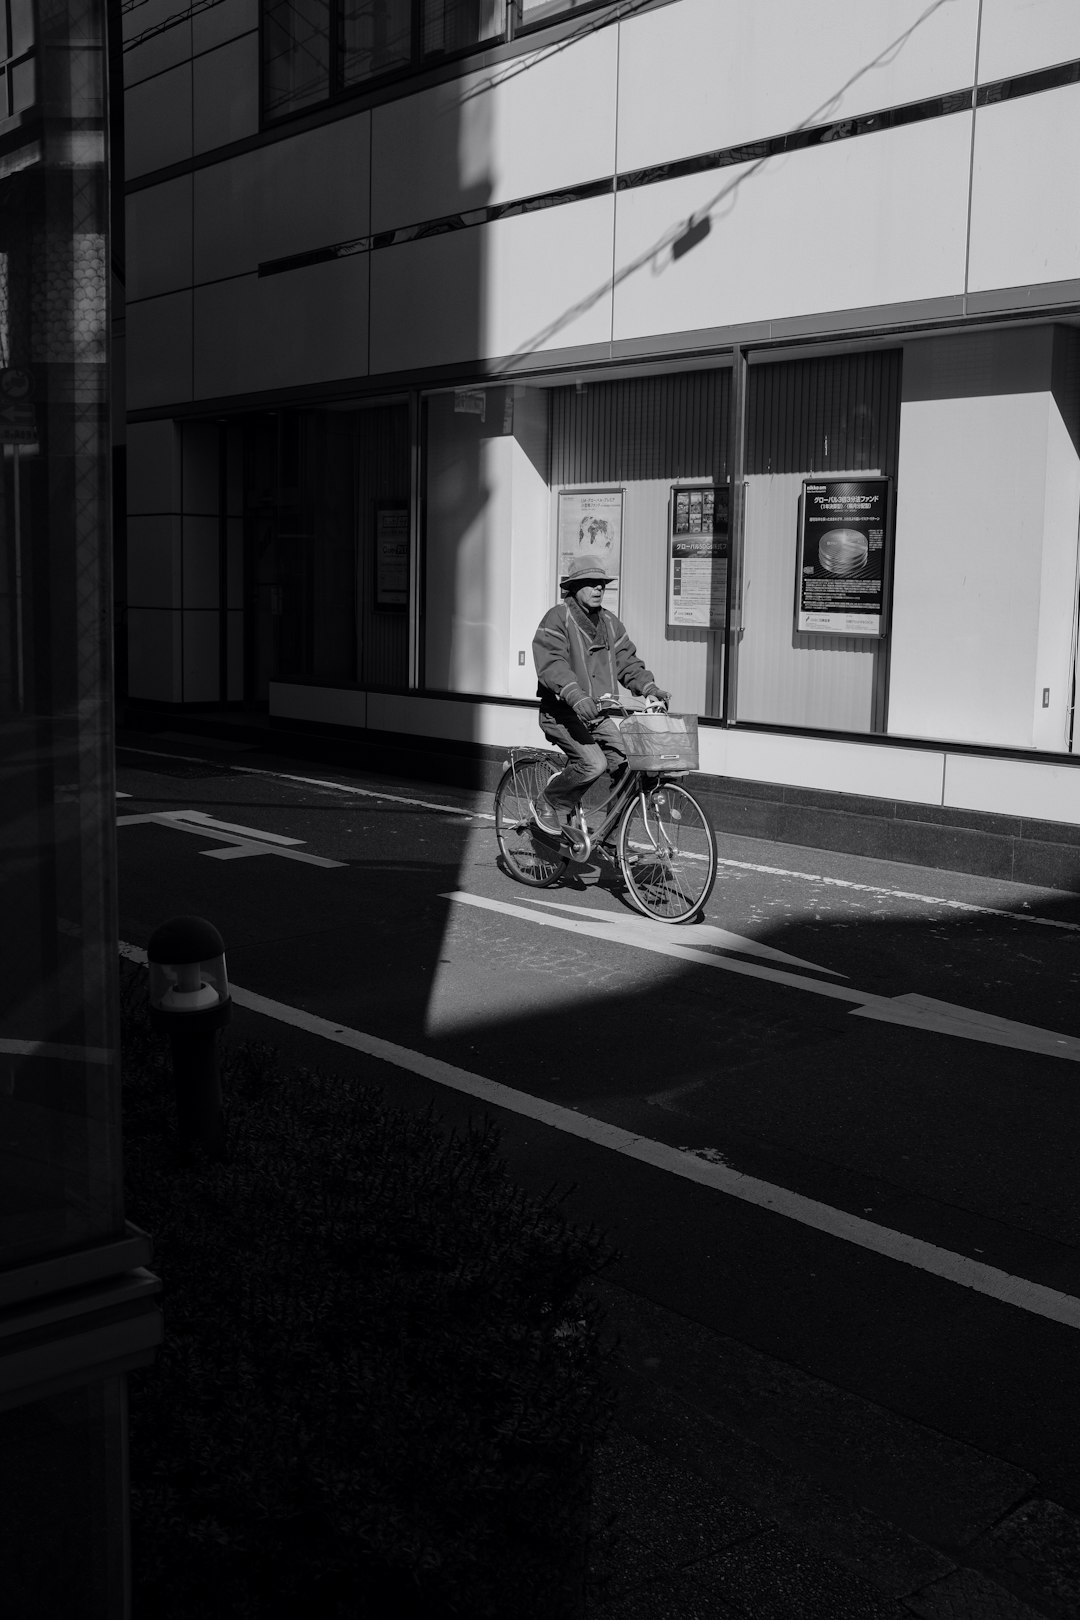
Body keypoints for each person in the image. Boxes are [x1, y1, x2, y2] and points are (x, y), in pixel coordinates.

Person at [531, 553, 671, 853]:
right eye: (590, 583)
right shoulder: (557, 618)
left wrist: (650, 688)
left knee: (630, 766)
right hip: (561, 712)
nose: (598, 589)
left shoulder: (609, 622)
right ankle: (548, 802)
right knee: (594, 763)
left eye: (602, 584)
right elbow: (551, 663)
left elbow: (627, 662)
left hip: (598, 715)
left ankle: (610, 839)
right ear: (574, 587)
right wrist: (575, 694)